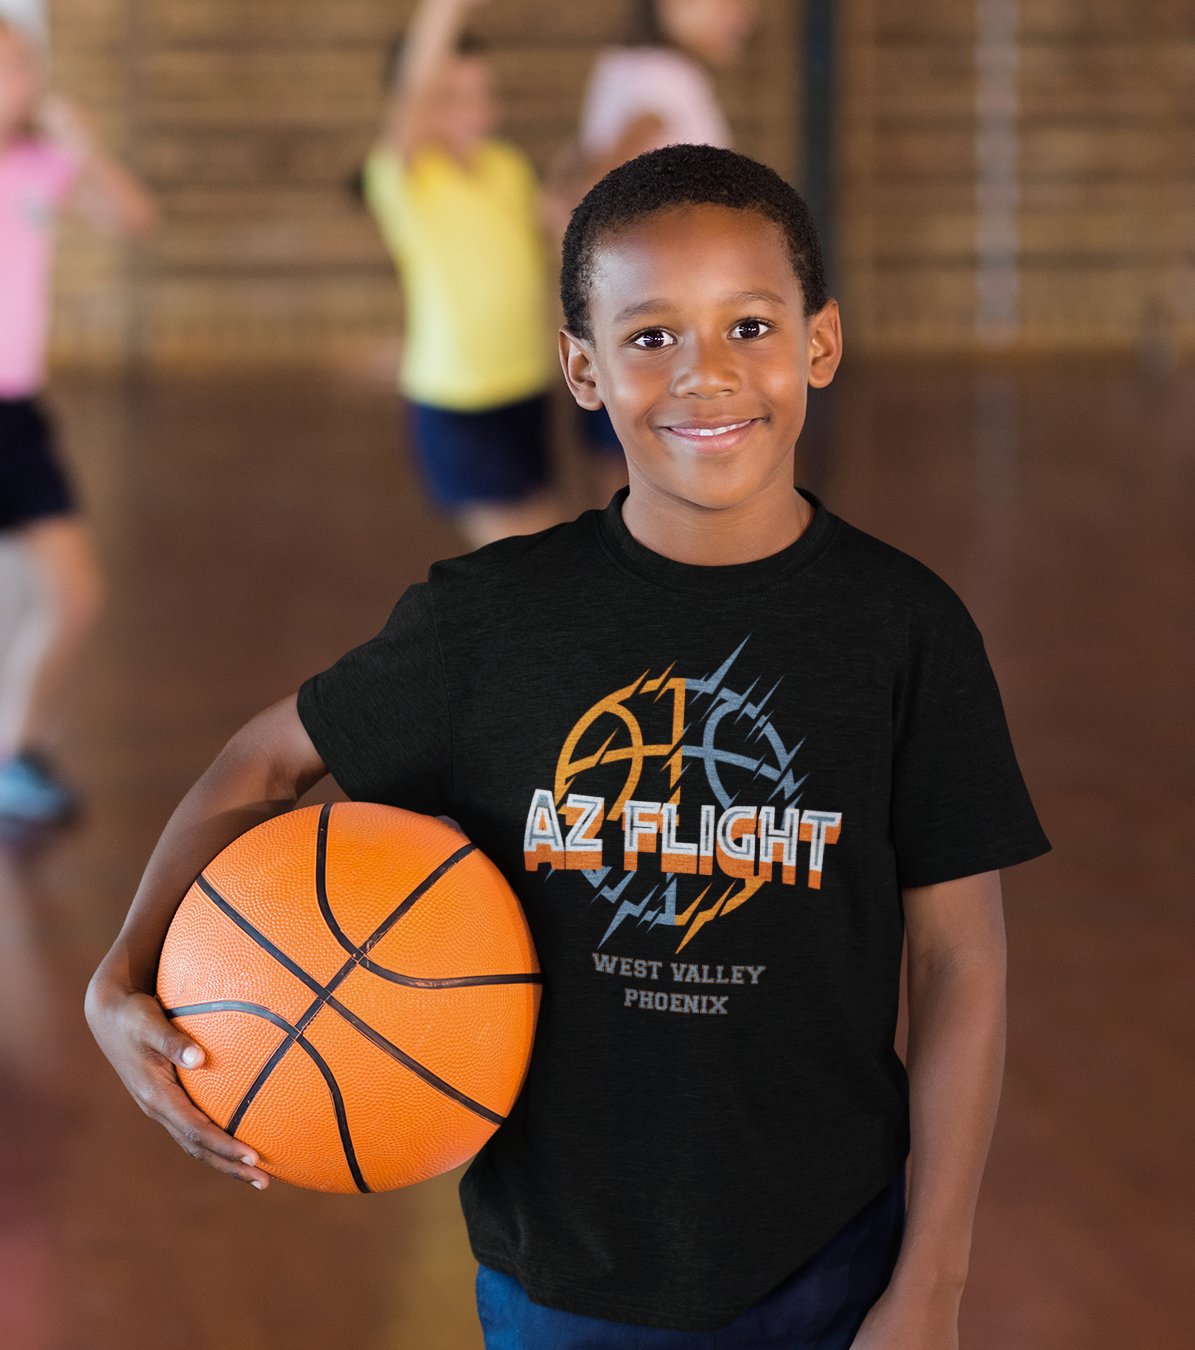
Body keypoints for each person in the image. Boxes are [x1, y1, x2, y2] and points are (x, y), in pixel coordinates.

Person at [87, 145, 1050, 1348]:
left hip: (832, 1259)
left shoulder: (905, 631)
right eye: (650, 336)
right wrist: (122, 972)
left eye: (750, 326)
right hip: (559, 1274)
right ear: (582, 368)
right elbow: (263, 762)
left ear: (821, 342)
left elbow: (959, 963)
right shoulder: (491, 622)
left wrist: (932, 1284)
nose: (705, 372)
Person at [0, 17, 155, 824]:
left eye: (25, 65)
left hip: (17, 415)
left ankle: (14, 754)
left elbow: (133, 216)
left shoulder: (41, 163)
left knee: (73, 594)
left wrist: (84, 149)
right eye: (6, 68)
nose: (22, 81)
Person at [364, 0, 560, 551]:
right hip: (458, 402)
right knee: (529, 566)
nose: (474, 110)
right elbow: (414, 91)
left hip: (526, 385)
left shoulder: (509, 167)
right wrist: (446, 10)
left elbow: (557, 239)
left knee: (547, 548)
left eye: (482, 93)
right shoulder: (405, 177)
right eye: (450, 97)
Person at [545, 0, 758, 498]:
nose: (743, 12)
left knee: (624, 481)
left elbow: (566, 188)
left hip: (625, 319)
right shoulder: (667, 79)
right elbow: (585, 191)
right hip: (658, 327)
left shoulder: (623, 64)